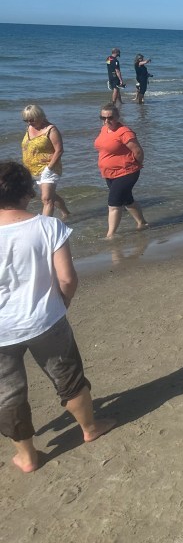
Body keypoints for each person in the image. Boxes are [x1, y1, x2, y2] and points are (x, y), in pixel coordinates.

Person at [0, 161, 115, 473]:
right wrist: (62, 303)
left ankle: (27, 457)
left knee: (8, 394)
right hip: (45, 320)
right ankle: (90, 428)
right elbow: (67, 279)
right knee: (69, 378)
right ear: (28, 192)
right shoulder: (48, 226)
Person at [94, 103, 148, 238]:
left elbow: (138, 151)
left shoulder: (125, 132)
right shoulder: (104, 129)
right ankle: (142, 223)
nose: (106, 121)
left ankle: (110, 235)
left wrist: (135, 165)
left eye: (110, 118)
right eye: (103, 118)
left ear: (117, 117)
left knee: (113, 204)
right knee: (127, 200)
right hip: (109, 173)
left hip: (126, 172)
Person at [20, 105, 71, 219]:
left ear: (40, 116)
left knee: (46, 199)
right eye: (26, 120)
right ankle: (66, 213)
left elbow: (59, 150)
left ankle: (45, 225)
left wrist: (49, 168)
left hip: (48, 168)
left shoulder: (51, 130)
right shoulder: (29, 127)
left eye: (32, 119)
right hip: (32, 169)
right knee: (51, 195)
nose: (29, 122)